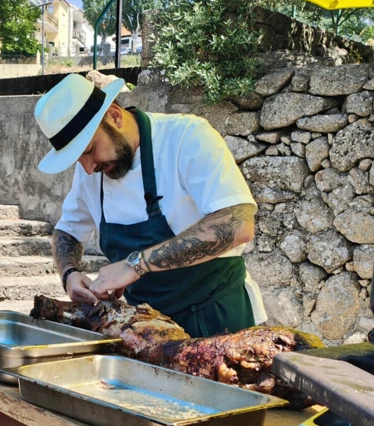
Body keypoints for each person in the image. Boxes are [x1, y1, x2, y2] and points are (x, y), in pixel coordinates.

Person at [37, 73, 266, 338]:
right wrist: (70, 274)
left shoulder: (186, 137)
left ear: (114, 116)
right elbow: (67, 232)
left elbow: (237, 223)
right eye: (78, 160)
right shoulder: (93, 171)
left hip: (216, 318)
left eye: (88, 150)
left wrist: (133, 265)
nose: (88, 169)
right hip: (147, 330)